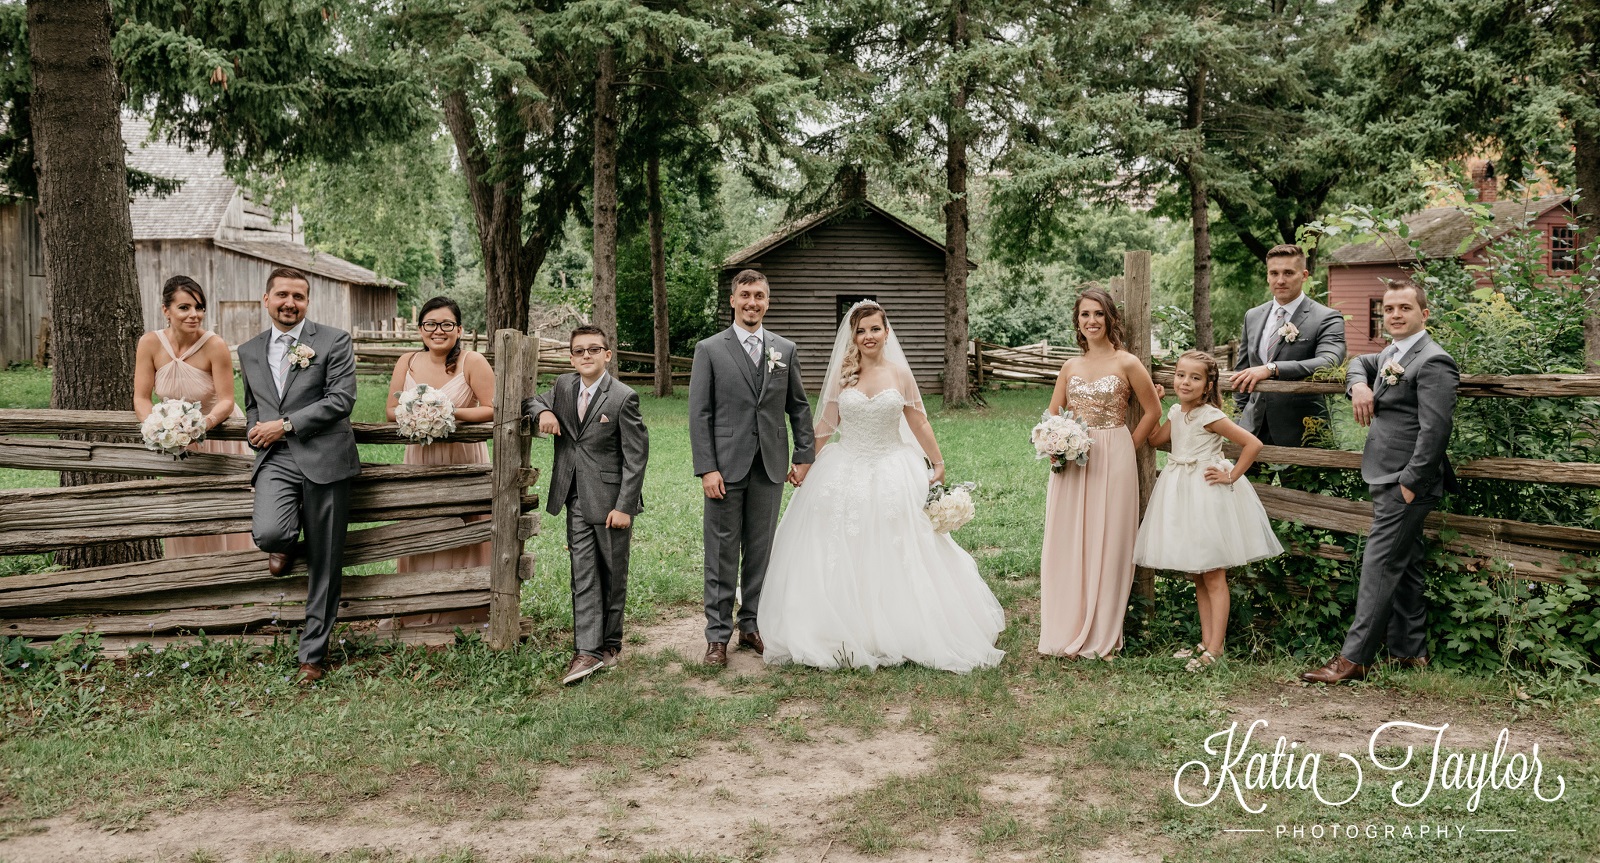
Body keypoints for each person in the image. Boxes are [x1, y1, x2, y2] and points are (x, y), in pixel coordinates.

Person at [757, 302, 1004, 672]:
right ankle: (839, 624)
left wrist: (936, 461)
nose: (868, 337)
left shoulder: (900, 374)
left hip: (892, 466)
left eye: (875, 329)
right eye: (861, 331)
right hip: (846, 466)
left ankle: (903, 625)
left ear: (887, 332)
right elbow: (825, 424)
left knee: (901, 540)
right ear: (853, 337)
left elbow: (918, 422)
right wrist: (805, 463)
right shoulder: (844, 374)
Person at [1303, 283, 1457, 684]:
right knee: (1403, 566)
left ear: (1425, 313)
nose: (1395, 315)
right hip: (1387, 476)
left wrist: (1410, 483)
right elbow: (1359, 363)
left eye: (1405, 307)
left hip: (1406, 481)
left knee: (1378, 565)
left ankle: (1354, 659)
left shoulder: (1434, 361)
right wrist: (1358, 385)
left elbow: (1436, 432)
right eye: (1388, 309)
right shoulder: (1393, 353)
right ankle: (1409, 652)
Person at [239, 267, 361, 685]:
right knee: (269, 532)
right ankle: (285, 543)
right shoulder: (249, 350)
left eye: (299, 296)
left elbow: (342, 399)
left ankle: (312, 655)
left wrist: (286, 424)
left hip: (326, 456)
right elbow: (254, 402)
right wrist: (258, 428)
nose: (290, 303)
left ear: (307, 302)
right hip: (276, 459)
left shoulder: (332, 340)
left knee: (326, 562)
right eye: (282, 295)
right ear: (266, 299)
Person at [687, 269, 815, 667]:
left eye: (759, 295)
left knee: (761, 551)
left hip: (771, 466)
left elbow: (798, 406)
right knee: (722, 552)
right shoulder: (709, 349)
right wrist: (707, 468)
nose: (752, 302)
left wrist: (804, 455)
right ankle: (717, 636)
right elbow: (699, 414)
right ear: (733, 300)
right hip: (725, 468)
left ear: (768, 301)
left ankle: (752, 624)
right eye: (745, 295)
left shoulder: (785, 349)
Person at [1133, 351, 1283, 670]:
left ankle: (1216, 649)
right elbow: (1156, 439)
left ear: (1207, 384)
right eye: (1180, 375)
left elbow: (1252, 444)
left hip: (1205, 495)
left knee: (1214, 575)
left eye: (1195, 377)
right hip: (1180, 493)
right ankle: (1205, 643)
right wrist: (1156, 407)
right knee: (1199, 574)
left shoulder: (1208, 415)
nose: (1185, 382)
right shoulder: (1176, 410)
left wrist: (1230, 475)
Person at [1038, 288, 1162, 659]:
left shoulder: (1128, 363)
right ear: (1077, 322)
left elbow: (1153, 411)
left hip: (1114, 455)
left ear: (1110, 319)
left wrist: (1127, 446)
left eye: (1098, 314)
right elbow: (1053, 414)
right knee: (1069, 537)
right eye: (1084, 315)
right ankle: (1066, 625)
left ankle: (1102, 631)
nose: (1091, 321)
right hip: (1072, 460)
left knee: (1109, 539)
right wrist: (1055, 443)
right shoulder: (1070, 367)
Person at [523, 325, 649, 685]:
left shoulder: (623, 397)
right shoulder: (564, 387)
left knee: (612, 572)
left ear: (607, 355)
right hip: (574, 495)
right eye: (579, 351)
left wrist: (625, 506)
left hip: (611, 502)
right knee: (583, 573)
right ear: (571, 357)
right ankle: (587, 651)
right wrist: (542, 414)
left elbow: (636, 457)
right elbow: (533, 400)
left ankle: (610, 643)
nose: (586, 356)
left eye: (594, 350)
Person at [380, 296, 495, 630]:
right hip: (420, 457)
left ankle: (465, 610)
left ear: (458, 330)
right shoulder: (407, 361)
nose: (438, 330)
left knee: (465, 524)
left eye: (447, 324)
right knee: (421, 522)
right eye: (430, 324)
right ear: (420, 329)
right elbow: (390, 410)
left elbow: (492, 406)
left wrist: (446, 412)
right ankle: (417, 606)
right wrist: (414, 414)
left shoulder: (472, 361)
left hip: (463, 457)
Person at [132, 275, 253, 556]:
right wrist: (158, 428)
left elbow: (226, 400)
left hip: (217, 437)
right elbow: (141, 397)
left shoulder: (215, 345)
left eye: (199, 308)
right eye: (184, 307)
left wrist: (201, 426)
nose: (194, 315)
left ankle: (231, 579)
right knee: (184, 509)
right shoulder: (149, 344)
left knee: (224, 510)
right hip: (174, 443)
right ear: (166, 310)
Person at [1232, 244, 1347, 446]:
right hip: (1251, 429)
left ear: (1303, 275)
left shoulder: (1327, 318)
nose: (1280, 280)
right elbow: (1243, 369)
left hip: (1302, 430)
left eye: (1288, 273)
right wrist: (1239, 418)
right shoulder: (1253, 316)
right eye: (1274, 273)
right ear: (1267, 276)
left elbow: (1329, 361)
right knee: (1244, 480)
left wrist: (1272, 369)